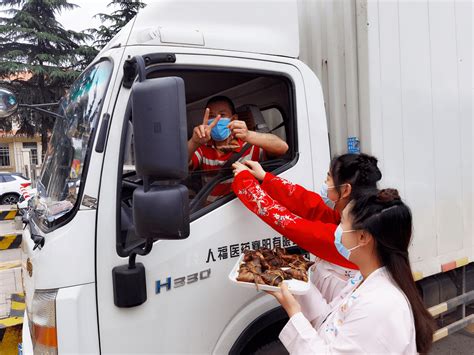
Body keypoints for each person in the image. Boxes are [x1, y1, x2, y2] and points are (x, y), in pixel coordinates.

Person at [266, 189, 435, 354]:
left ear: (363, 237)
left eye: (342, 222)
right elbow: (329, 320)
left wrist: (294, 313)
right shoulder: (363, 279)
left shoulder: (379, 304)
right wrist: (294, 282)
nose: (337, 230)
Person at [231, 153, 381, 300]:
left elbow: (287, 222)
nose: (325, 183)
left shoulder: (345, 237)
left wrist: (245, 182)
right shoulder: (355, 219)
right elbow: (308, 204)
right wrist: (265, 178)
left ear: (346, 190)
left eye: (328, 178)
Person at [188, 95, 288, 204]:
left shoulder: (250, 145)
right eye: (212, 116)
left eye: (222, 115)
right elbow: (181, 165)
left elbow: (282, 148)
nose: (217, 120)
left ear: (234, 119)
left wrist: (248, 135)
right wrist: (194, 142)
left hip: (243, 211)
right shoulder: (203, 147)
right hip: (212, 212)